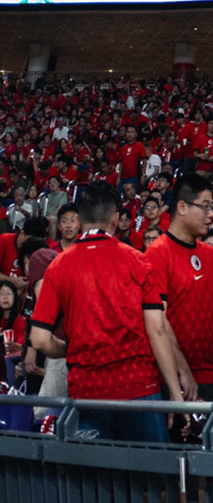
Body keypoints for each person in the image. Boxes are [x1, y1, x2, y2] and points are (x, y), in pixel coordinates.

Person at [27, 182, 186, 443]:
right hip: (138, 387)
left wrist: (71, 349)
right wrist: (176, 396)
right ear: (114, 219)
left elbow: (40, 339)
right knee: (149, 478)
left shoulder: (58, 266)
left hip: (86, 390)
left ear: (78, 221)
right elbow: (157, 330)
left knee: (96, 479)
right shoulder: (138, 260)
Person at [145, 171, 213, 408]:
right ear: (182, 207)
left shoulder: (211, 256)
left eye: (212, 207)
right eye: (205, 207)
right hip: (168, 374)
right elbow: (158, 320)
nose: (211, 214)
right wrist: (180, 370)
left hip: (209, 373)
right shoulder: (157, 253)